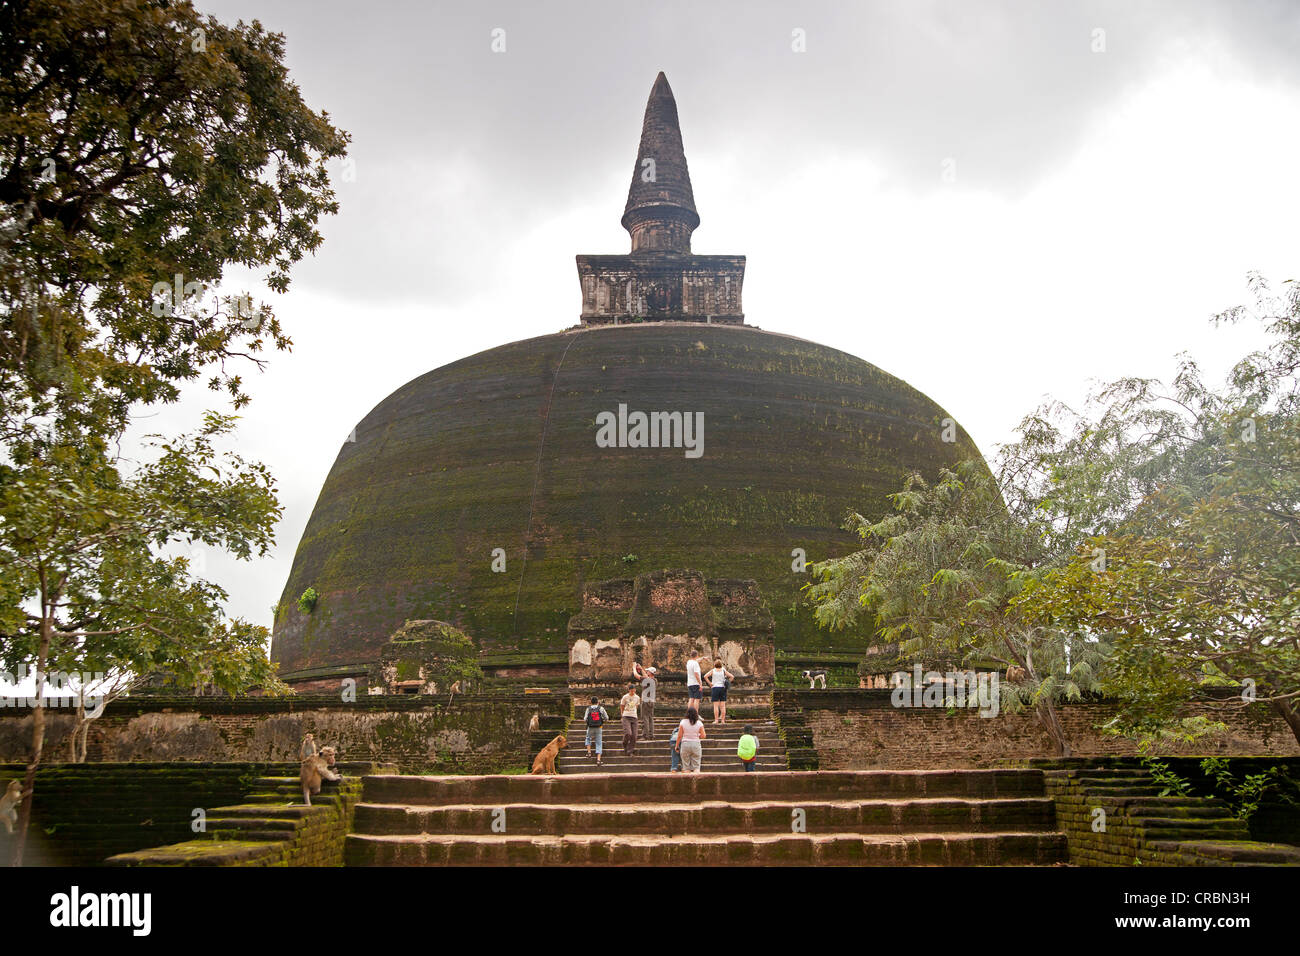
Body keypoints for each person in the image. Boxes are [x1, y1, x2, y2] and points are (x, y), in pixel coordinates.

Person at [702, 658, 735, 723]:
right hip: (723, 688)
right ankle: (723, 720)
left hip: (715, 688)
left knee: (716, 706)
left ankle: (716, 720)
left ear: (715, 665)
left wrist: (710, 683)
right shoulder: (723, 670)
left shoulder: (713, 670)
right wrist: (728, 682)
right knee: (723, 706)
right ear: (721, 665)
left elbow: (705, 676)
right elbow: (732, 676)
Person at [675, 708, 707, 773]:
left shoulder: (683, 722)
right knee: (696, 767)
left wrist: (677, 745)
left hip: (685, 744)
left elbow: (679, 736)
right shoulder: (699, 723)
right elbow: (703, 736)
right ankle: (696, 781)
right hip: (696, 744)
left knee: (686, 767)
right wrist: (697, 735)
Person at [633, 662, 657, 739]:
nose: (646, 672)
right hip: (652, 701)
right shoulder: (654, 680)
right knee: (650, 718)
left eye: (648, 671)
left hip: (646, 701)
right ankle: (651, 734)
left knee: (645, 718)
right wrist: (641, 669)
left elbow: (636, 675)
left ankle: (645, 735)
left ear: (650, 673)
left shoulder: (647, 680)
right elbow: (646, 676)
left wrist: (634, 668)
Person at [583, 696, 609, 766]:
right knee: (599, 742)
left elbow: (585, 719)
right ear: (598, 702)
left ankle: (589, 752)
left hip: (590, 727)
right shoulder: (601, 708)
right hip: (599, 727)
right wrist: (602, 720)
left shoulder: (588, 709)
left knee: (588, 738)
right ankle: (598, 760)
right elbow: (607, 718)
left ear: (590, 702)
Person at [619, 682, 641, 756]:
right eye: (631, 690)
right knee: (628, 733)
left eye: (633, 690)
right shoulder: (625, 697)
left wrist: (634, 713)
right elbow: (622, 705)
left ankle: (630, 750)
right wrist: (622, 714)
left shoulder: (637, 698)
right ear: (629, 690)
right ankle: (624, 744)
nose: (632, 692)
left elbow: (637, 706)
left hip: (634, 716)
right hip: (626, 716)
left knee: (634, 735)